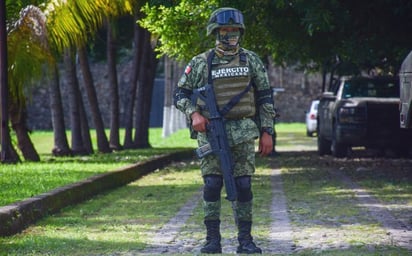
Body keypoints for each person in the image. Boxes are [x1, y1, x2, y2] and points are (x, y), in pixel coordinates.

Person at [174, 7, 277, 254]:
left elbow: (264, 97)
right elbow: (180, 94)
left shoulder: (250, 60)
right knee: (211, 184)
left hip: (242, 131)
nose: (229, 34)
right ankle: (212, 240)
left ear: (240, 32)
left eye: (233, 30)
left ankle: (245, 240)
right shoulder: (200, 62)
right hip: (210, 132)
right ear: (215, 32)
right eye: (224, 30)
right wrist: (194, 113)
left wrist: (267, 131)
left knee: (242, 185)